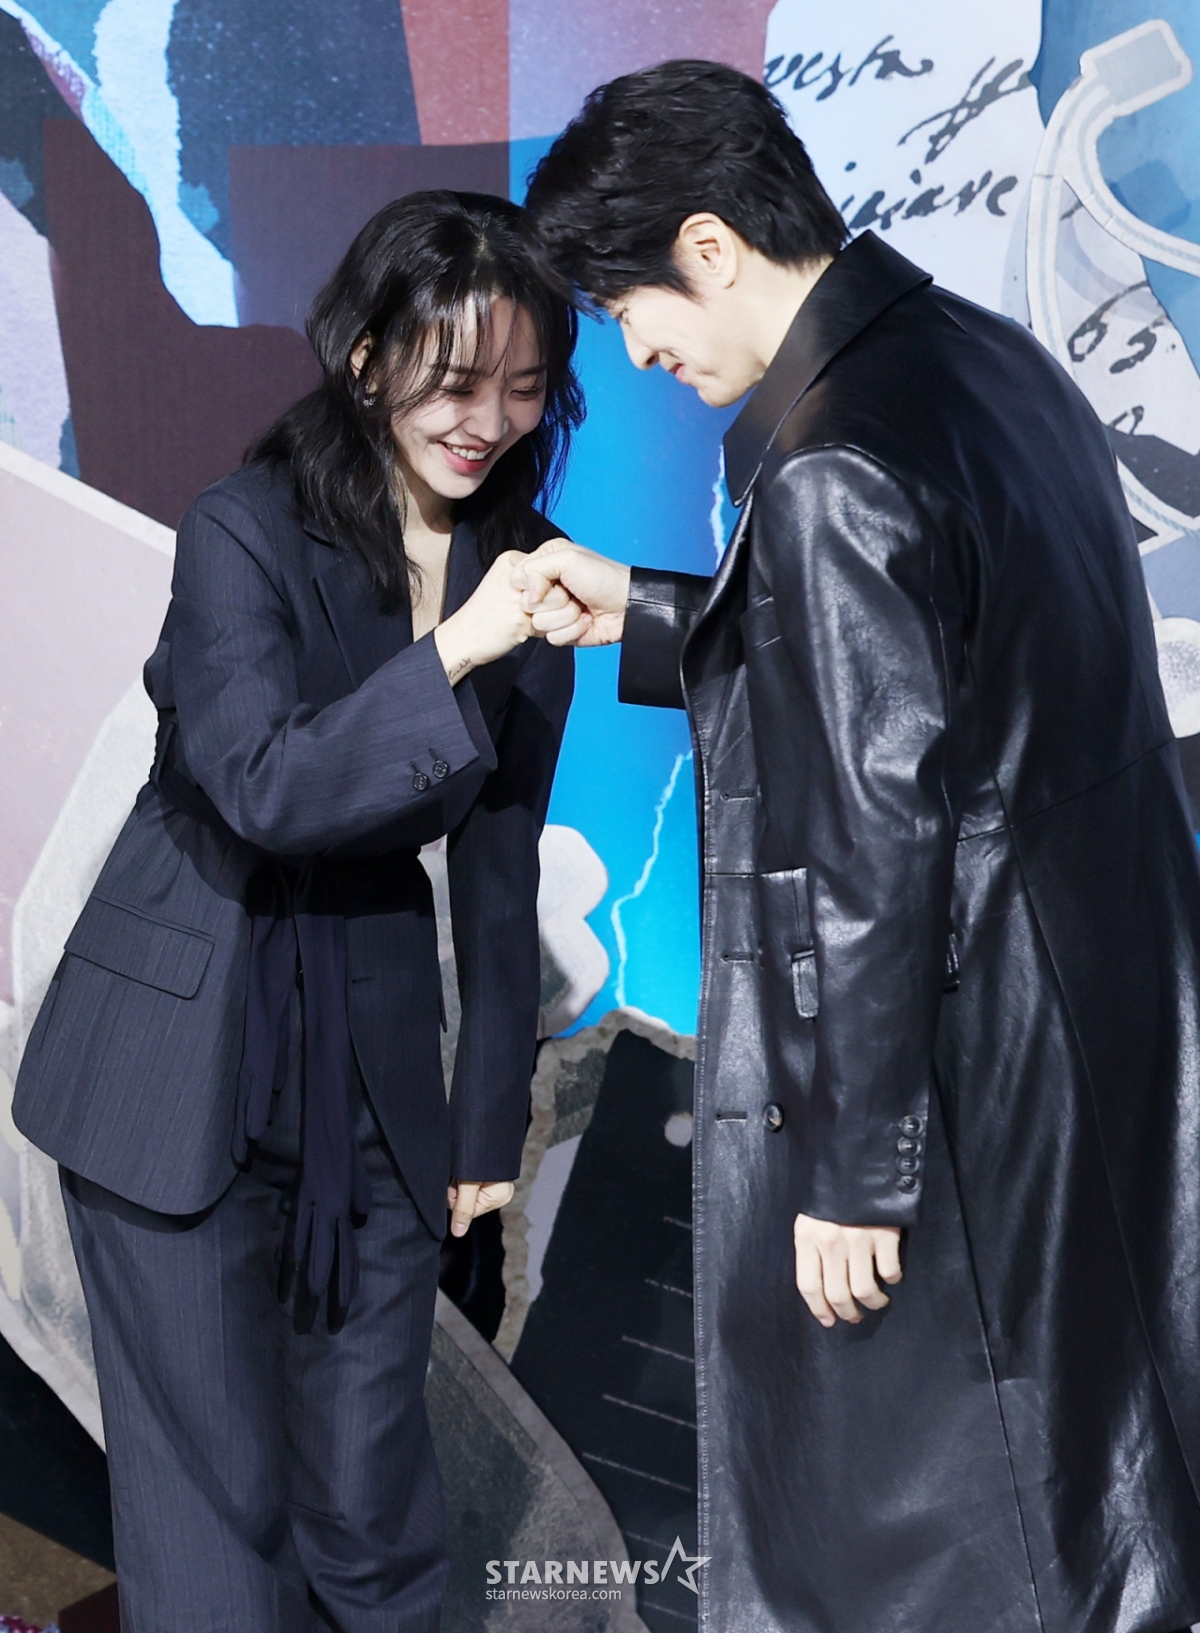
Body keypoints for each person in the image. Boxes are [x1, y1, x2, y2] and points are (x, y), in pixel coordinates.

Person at [517, 59, 1200, 1633]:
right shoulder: (984, 361)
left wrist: (851, 1171)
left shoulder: (819, 462)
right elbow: (954, 668)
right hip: (1098, 1033)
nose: (648, 358)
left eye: (633, 318)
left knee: (954, 1549)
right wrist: (661, 616)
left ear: (706, 247)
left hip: (957, 1095)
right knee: (1111, 1486)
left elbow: (874, 833)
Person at [14, 190, 582, 1633]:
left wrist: (484, 1133)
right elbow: (262, 784)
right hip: (179, 1060)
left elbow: (500, 882)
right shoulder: (240, 532)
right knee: (220, 1532)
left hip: (374, 1078)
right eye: (458, 380)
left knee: (379, 1517)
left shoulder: (529, 574)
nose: (490, 420)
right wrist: (460, 642)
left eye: (524, 387)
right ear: (367, 356)